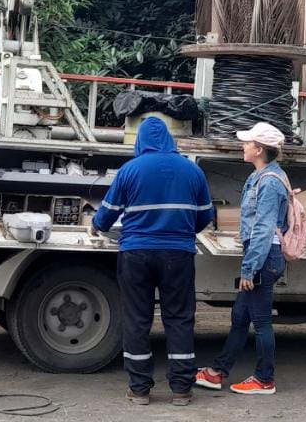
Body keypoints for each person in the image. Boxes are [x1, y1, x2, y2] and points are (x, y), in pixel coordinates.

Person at [90, 116, 214, 407]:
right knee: (179, 318)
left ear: (141, 141)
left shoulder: (130, 170)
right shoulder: (192, 170)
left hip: (136, 254)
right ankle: (181, 389)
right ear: (169, 139)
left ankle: (139, 389)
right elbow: (205, 216)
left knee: (137, 319)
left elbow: (106, 215)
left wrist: (95, 225)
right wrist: (182, 231)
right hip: (178, 254)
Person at [196, 121, 289, 396]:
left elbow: (263, 228)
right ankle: (217, 372)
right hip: (261, 255)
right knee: (240, 317)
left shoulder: (268, 182)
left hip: (263, 258)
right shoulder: (262, 176)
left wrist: (249, 269)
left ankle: (264, 379)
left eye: (247, 142)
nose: (243, 146)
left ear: (259, 149)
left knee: (261, 322)